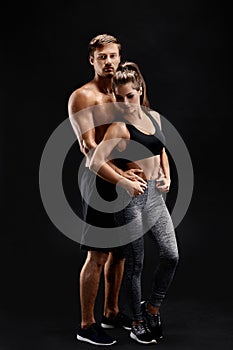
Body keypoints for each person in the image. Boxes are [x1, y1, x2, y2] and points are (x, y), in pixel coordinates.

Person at [90, 61, 179, 344]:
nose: (127, 103)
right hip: (130, 200)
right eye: (121, 98)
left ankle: (152, 309)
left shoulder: (154, 118)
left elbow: (161, 150)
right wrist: (123, 181)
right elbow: (94, 161)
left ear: (140, 90)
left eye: (131, 96)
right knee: (135, 264)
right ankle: (137, 323)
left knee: (171, 256)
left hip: (155, 196)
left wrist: (167, 177)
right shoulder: (119, 127)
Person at [68, 35, 146, 346]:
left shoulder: (121, 92)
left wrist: (132, 170)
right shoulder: (83, 97)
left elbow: (131, 133)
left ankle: (111, 312)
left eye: (113, 56)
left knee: (120, 253)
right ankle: (87, 325)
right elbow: (89, 150)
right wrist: (121, 177)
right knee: (98, 254)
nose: (109, 62)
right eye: (102, 57)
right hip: (98, 178)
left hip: (121, 177)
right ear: (92, 60)